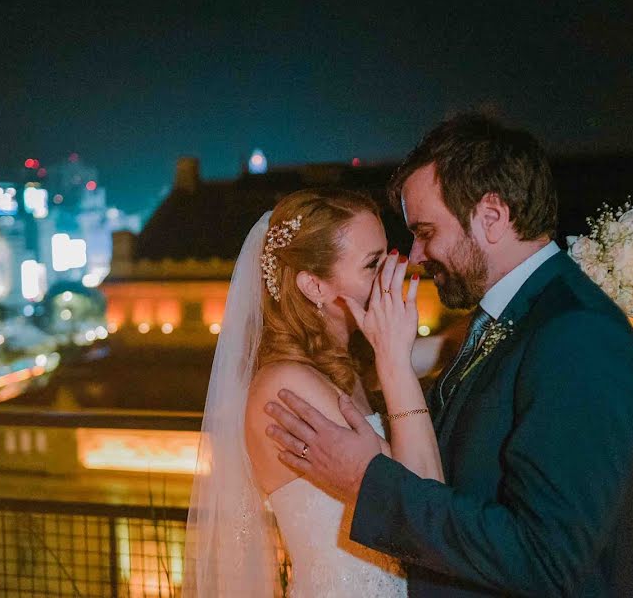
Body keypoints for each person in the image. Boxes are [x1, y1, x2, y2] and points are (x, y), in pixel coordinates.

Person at [265, 114, 633, 597]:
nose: (418, 257)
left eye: (426, 231)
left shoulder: (578, 335)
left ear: (491, 217)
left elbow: (546, 559)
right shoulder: (506, 320)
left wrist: (369, 481)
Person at [183, 188, 444, 597]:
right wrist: (394, 360)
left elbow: (445, 350)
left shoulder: (343, 363)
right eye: (372, 265)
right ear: (315, 286)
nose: (392, 275)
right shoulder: (288, 386)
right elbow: (424, 506)